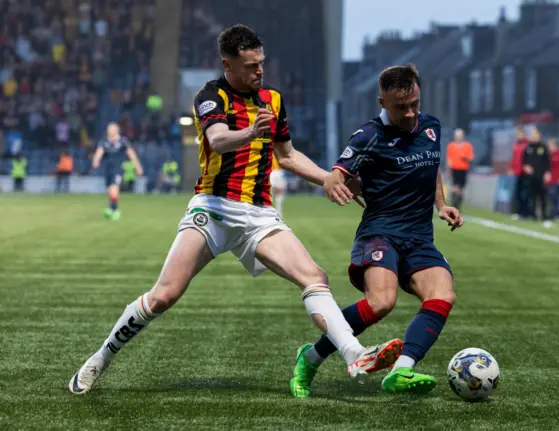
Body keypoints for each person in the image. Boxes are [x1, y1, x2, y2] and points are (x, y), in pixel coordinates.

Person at [69, 24, 400, 395]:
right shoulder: (211, 96)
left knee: (315, 276)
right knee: (164, 295)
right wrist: (250, 134)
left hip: (259, 215)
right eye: (251, 66)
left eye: (261, 64)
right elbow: (218, 139)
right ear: (228, 65)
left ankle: (355, 354)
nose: (260, 72)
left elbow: (287, 156)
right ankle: (101, 357)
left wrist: (327, 178)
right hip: (213, 209)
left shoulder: (273, 99)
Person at [290, 65, 463, 398]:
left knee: (443, 295)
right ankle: (310, 358)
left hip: (419, 236)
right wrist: (334, 184)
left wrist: (441, 206)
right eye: (401, 107)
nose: (411, 112)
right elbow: (337, 173)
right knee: (382, 302)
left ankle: (402, 371)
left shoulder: (431, 126)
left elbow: (432, 165)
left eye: (414, 103)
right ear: (382, 101)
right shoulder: (368, 136)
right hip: (380, 231)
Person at [91, 123, 144, 220]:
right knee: (109, 189)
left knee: (114, 186)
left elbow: (131, 154)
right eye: (108, 129)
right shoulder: (104, 141)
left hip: (118, 168)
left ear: (116, 130)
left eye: (111, 129)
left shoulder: (123, 141)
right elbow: (99, 152)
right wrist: (96, 160)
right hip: (107, 169)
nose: (109, 131)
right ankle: (112, 208)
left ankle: (115, 210)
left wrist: (138, 167)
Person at [522, 127, 550, 225]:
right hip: (531, 176)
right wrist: (526, 167)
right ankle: (533, 215)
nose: (534, 136)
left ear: (539, 135)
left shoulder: (543, 147)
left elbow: (548, 162)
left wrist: (547, 173)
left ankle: (544, 216)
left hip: (541, 175)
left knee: (542, 197)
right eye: (532, 135)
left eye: (535, 134)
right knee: (532, 196)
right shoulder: (528, 147)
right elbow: (524, 160)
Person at [446, 128, 474, 209]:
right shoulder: (451, 146)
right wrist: (448, 170)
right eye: (457, 135)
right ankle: (454, 204)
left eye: (460, 135)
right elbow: (449, 159)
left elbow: (471, 158)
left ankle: (458, 205)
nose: (458, 137)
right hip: (454, 168)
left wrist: (465, 158)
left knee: (461, 188)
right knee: (454, 187)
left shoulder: (467, 146)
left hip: (463, 169)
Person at [509, 126, 529, 220]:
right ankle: (518, 212)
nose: (519, 136)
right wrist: (511, 168)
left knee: (525, 193)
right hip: (517, 172)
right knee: (517, 193)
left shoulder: (527, 144)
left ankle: (525, 212)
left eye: (520, 134)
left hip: (525, 172)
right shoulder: (515, 144)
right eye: (518, 134)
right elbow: (514, 157)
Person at [546, 138, 559, 224]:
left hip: (558, 180)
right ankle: (554, 214)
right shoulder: (548, 155)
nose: (549, 147)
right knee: (552, 198)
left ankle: (558, 215)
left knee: (557, 198)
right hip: (550, 180)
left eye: (551, 145)